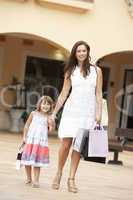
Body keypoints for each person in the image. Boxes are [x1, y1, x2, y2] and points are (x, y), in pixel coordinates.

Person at [51, 41, 103, 193]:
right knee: (66, 144)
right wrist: (54, 113)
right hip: (71, 111)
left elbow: (99, 93)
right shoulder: (70, 70)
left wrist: (98, 113)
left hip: (87, 113)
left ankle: (71, 178)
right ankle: (59, 172)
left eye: (83, 50)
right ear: (75, 53)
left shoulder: (97, 71)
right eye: (78, 51)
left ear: (88, 52)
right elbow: (63, 93)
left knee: (78, 147)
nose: (81, 53)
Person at [21, 96, 55, 188]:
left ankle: (36, 180)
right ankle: (29, 178)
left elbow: (51, 130)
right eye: (44, 103)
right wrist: (24, 137)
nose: (46, 106)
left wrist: (51, 123)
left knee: (37, 162)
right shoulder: (33, 113)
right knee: (27, 160)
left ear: (51, 106)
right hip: (30, 140)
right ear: (39, 104)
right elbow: (27, 125)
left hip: (40, 142)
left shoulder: (48, 117)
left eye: (48, 104)